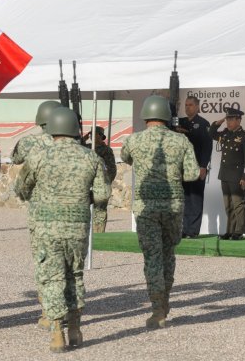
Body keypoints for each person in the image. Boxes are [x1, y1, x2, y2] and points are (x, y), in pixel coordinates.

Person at [15, 108, 110, 352]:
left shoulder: (39, 157)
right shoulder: (91, 158)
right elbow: (101, 196)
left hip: (47, 229)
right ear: (75, 130)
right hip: (77, 227)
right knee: (75, 275)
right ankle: (76, 328)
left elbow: (21, 190)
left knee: (53, 278)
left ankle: (57, 333)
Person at [120, 95, 199, 329]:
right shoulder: (181, 141)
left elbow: (125, 158)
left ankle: (158, 310)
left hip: (146, 207)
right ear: (167, 115)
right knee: (168, 254)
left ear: (145, 115)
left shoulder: (134, 140)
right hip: (173, 206)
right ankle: (164, 301)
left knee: (153, 257)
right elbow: (192, 174)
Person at [11, 100, 62, 330]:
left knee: (43, 260)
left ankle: (47, 310)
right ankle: (66, 307)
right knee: (69, 263)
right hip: (70, 211)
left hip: (40, 212)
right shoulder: (73, 143)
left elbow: (15, 158)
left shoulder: (30, 142)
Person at [209, 107, 245, 240]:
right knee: (228, 204)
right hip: (225, 174)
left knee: (238, 204)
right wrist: (221, 120)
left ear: (239, 120)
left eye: (231, 119)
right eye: (227, 119)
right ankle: (230, 230)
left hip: (237, 176)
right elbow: (211, 133)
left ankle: (238, 231)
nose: (228, 122)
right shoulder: (225, 134)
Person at [176, 96, 212, 238]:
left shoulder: (204, 124)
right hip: (182, 167)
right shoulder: (180, 122)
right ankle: (184, 230)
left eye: (190, 105)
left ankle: (193, 231)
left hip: (197, 166)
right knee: (184, 198)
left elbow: (207, 148)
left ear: (197, 107)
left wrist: (204, 166)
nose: (187, 107)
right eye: (186, 105)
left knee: (195, 199)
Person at [82, 126, 117, 233]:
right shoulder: (87, 147)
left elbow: (111, 168)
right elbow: (76, 146)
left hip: (100, 184)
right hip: (87, 183)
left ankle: (99, 233)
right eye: (91, 134)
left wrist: (106, 182)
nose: (92, 136)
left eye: (95, 134)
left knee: (100, 211)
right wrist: (84, 138)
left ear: (101, 136)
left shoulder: (106, 150)